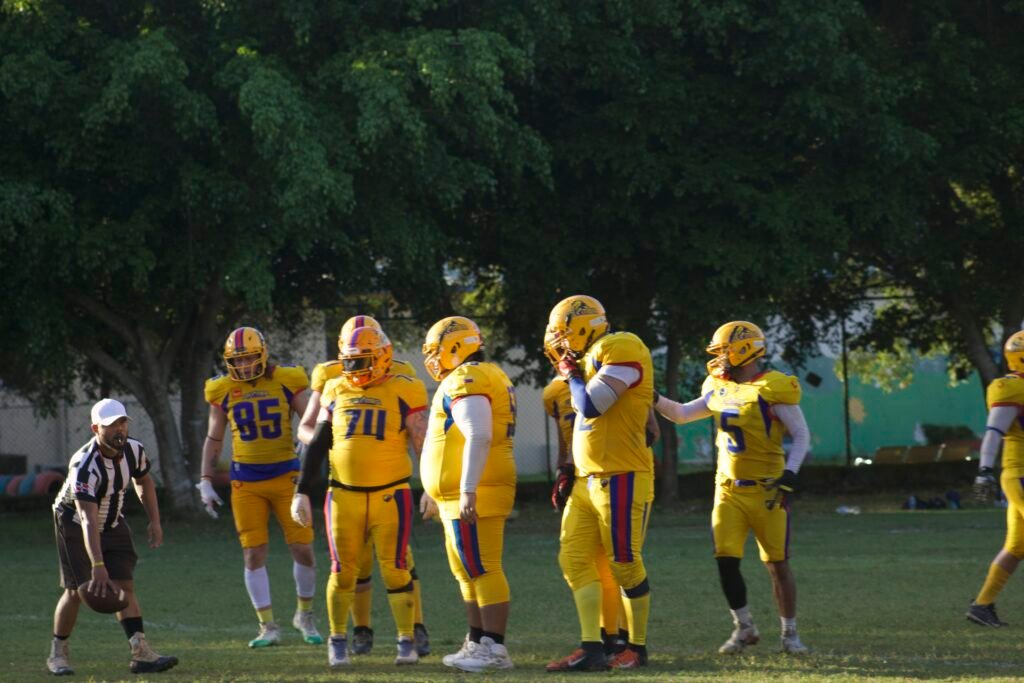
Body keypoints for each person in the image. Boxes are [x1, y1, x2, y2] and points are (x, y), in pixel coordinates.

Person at [652, 321, 811, 654]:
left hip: (767, 490)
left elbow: (801, 434)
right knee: (725, 559)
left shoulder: (772, 387)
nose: (719, 358)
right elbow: (681, 414)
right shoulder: (718, 386)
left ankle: (790, 633)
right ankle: (744, 627)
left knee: (777, 564)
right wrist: (651, 397)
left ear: (743, 349)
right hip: (727, 490)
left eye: (724, 351)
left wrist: (791, 473)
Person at [291, 325, 429, 667]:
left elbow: (422, 444)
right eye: (349, 361)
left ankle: (406, 640)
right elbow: (318, 443)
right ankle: (338, 639)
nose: (353, 369)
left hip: (391, 494)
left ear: (381, 357)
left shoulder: (405, 387)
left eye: (361, 361)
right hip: (343, 496)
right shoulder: (335, 387)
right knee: (342, 571)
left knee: (396, 568)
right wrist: (301, 491)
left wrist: (431, 487)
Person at [543, 295, 655, 672]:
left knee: (624, 563)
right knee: (574, 559)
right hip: (587, 478)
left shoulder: (621, 346)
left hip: (622, 475)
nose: (560, 343)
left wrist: (572, 375)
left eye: (563, 333)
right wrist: (567, 468)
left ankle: (636, 648)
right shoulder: (593, 358)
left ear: (583, 326)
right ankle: (592, 647)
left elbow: (591, 406)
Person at [197, 327, 321, 648]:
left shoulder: (287, 379)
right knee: (253, 553)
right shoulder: (222, 389)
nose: (244, 364)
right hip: (246, 483)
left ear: (262, 354)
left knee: (303, 548)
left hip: (286, 477)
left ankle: (305, 614)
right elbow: (214, 437)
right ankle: (267, 626)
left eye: (249, 357)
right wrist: (206, 480)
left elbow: (310, 421)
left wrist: (310, 443)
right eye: (237, 360)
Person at [47, 398, 178, 675]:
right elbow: (87, 518)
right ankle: (58, 653)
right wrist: (97, 565)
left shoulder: (134, 450)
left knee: (125, 585)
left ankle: (141, 653)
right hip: (74, 522)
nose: (120, 429)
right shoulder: (84, 465)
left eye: (122, 422)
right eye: (111, 425)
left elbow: (144, 481)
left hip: (112, 519)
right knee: (76, 591)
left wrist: (155, 521)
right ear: (96, 428)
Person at [420, 316, 517, 672]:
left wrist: (467, 489)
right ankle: (477, 641)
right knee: (467, 570)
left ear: (456, 347)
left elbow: (479, 434)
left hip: (479, 489)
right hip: (460, 492)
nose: (432, 359)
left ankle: (494, 648)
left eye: (436, 351)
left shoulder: (467, 378)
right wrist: (433, 490)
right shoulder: (476, 375)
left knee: (483, 568)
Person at [967, 330, 1024, 626]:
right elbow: (993, 432)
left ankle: (982, 605)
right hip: (1021, 475)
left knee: (1016, 547)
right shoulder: (1011, 388)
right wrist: (984, 470)